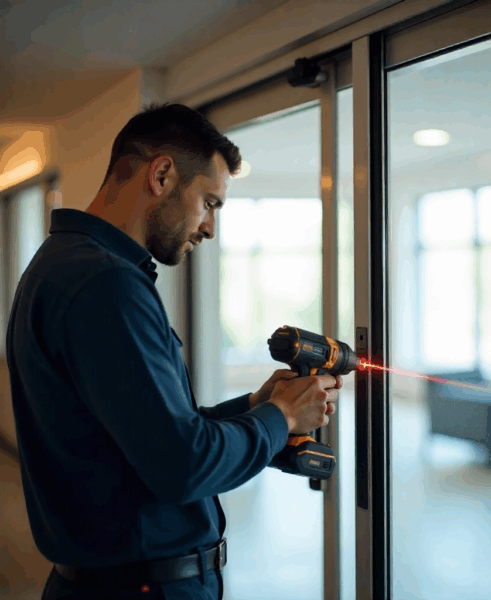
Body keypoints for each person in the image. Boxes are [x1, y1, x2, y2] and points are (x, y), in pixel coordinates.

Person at [5, 102, 342, 600]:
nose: (209, 228)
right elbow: (183, 467)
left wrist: (253, 407)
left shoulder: (61, 264)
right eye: (209, 202)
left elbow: (149, 437)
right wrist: (281, 419)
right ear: (161, 174)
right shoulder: (107, 285)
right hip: (140, 587)